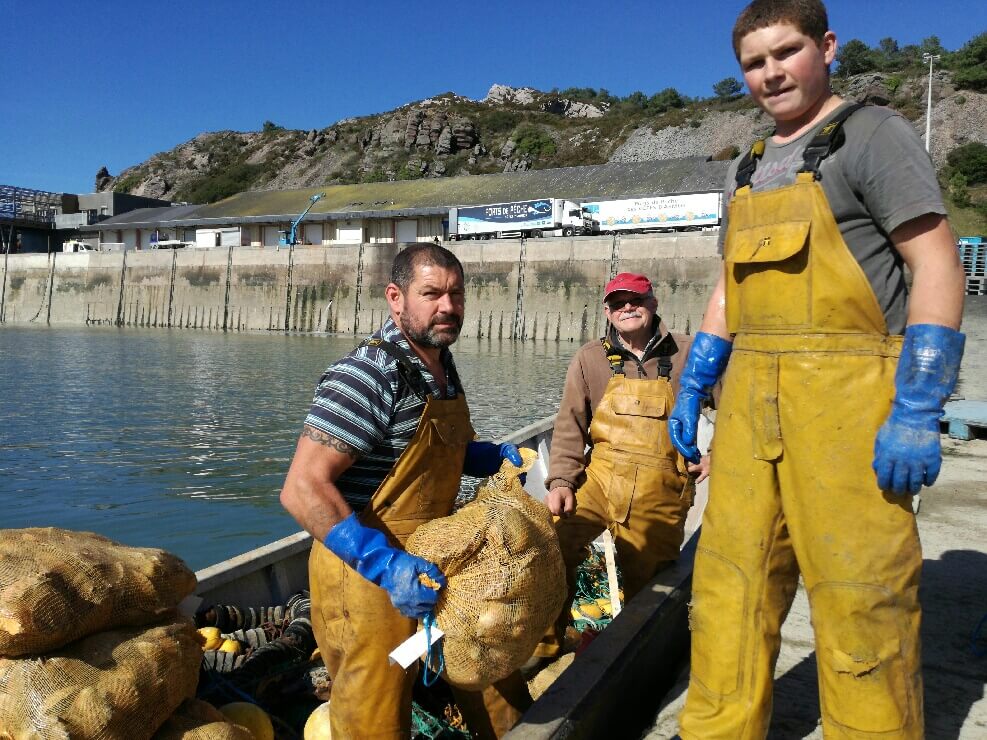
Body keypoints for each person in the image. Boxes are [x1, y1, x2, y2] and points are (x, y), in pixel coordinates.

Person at [669, 2, 966, 738]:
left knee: (859, 598)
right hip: (748, 413)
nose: (769, 73)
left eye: (785, 52)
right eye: (753, 62)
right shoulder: (745, 167)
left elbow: (934, 263)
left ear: (826, 47)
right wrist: (695, 380)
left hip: (849, 407)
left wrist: (918, 405)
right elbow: (726, 290)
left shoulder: (872, 136)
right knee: (727, 591)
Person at [280, 243, 532, 739]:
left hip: (438, 563)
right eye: (431, 293)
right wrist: (385, 565)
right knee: (375, 717)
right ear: (395, 298)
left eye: (457, 294)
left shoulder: (440, 366)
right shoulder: (368, 374)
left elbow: (439, 452)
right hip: (368, 582)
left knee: (495, 682)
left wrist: (488, 457)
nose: (448, 307)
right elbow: (302, 488)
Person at [532, 272, 709, 660]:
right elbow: (570, 425)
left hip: (660, 486)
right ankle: (544, 647)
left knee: (647, 584)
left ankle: (630, 661)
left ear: (654, 303)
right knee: (550, 548)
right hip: (598, 480)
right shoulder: (589, 358)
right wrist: (561, 480)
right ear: (608, 312)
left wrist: (720, 455)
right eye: (618, 303)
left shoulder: (689, 352)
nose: (628, 308)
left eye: (636, 300)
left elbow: (738, 404)